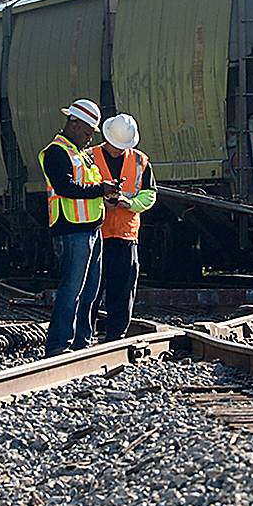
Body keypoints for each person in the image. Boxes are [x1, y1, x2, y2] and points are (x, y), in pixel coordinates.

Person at [40, 98, 122, 355]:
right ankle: (57, 345)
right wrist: (102, 190)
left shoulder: (79, 155)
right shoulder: (56, 152)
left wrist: (107, 197)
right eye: (87, 133)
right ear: (74, 125)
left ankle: (81, 342)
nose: (89, 139)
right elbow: (65, 187)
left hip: (91, 228)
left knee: (90, 290)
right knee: (72, 289)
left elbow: (87, 187)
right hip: (71, 230)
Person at [95, 114, 157, 342]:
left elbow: (150, 194)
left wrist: (130, 204)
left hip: (126, 235)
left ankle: (116, 335)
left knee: (123, 290)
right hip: (96, 233)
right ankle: (85, 334)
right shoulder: (90, 157)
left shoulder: (140, 161)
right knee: (92, 289)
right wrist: (103, 205)